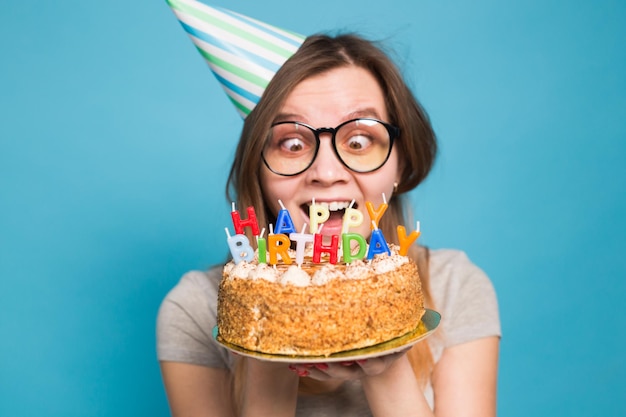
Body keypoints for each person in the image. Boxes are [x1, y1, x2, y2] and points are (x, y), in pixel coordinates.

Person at [157, 33, 500, 417]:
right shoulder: (195, 308)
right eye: (291, 143)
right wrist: (269, 338)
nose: (326, 172)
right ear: (258, 169)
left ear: (401, 163)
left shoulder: (455, 286)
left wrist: (384, 344)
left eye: (358, 140)